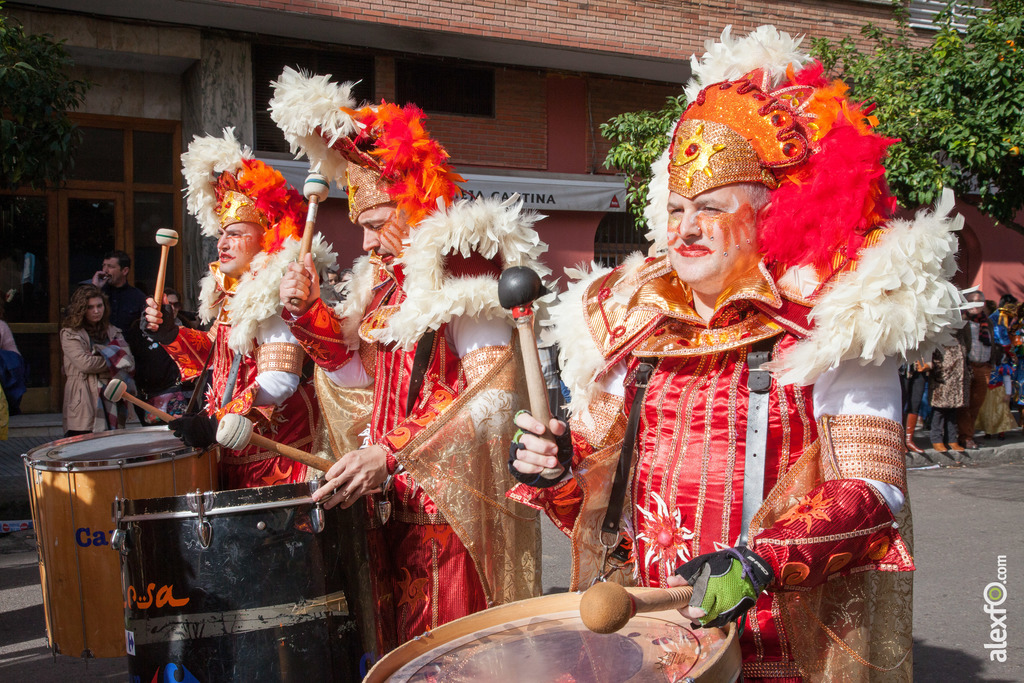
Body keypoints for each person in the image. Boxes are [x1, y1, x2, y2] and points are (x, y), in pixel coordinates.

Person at [509, 27, 965, 681]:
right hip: (650, 635)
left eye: (710, 208)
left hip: (776, 647)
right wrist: (556, 471)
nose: (686, 228)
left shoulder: (833, 322)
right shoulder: (633, 325)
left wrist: (762, 560)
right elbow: (598, 494)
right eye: (678, 208)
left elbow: (873, 489)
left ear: (764, 216)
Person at [271, 69, 545, 645]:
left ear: (414, 204)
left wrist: (389, 454)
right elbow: (355, 376)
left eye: (375, 225)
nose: (367, 244)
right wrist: (305, 314)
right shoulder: (388, 287)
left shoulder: (463, 266)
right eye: (361, 228)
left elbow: (493, 398)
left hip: (451, 527)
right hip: (391, 511)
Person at [143, 129, 329, 489]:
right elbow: (216, 361)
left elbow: (279, 381)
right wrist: (171, 334)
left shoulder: (275, 296)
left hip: (278, 464)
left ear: (265, 240)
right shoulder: (234, 297)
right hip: (235, 452)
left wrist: (216, 421)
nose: (223, 244)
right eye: (221, 235)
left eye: (237, 233)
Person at [60, 285, 135, 436]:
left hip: (111, 396)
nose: (96, 311)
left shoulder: (113, 331)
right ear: (81, 309)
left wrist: (100, 357)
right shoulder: (70, 333)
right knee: (81, 451)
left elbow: (129, 361)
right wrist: (114, 360)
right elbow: (85, 364)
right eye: (90, 307)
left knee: (110, 449)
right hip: (83, 399)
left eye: (99, 306)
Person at [957, 290, 992, 448]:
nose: (975, 305)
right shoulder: (962, 322)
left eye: (979, 302)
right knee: (966, 404)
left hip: (984, 367)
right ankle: (965, 437)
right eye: (972, 301)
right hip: (968, 367)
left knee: (977, 404)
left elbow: (992, 344)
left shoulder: (987, 322)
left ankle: (968, 434)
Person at [90, 250, 147, 332]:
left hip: (127, 343)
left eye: (110, 267)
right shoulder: (98, 292)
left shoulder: (138, 297)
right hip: (99, 343)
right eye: (104, 266)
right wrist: (94, 287)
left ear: (124, 271)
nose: (105, 271)